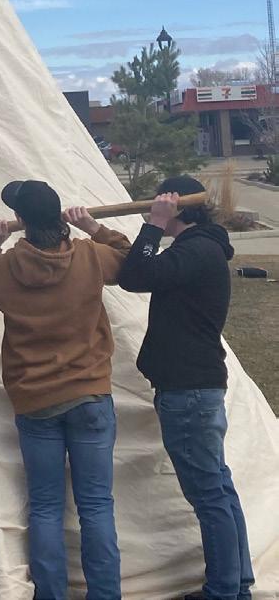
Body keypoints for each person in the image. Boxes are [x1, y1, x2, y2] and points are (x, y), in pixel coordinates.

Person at [0, 179, 131, 600]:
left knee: (45, 506)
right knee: (96, 505)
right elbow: (132, 261)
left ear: (19, 220)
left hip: (35, 399)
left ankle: (51, 594)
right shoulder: (90, 256)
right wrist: (94, 227)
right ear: (59, 216)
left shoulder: (2, 268)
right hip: (90, 393)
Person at [117, 176, 254, 600]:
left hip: (189, 390)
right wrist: (93, 228)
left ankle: (223, 591)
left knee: (209, 495)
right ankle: (236, 584)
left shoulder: (196, 250)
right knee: (218, 489)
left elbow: (135, 276)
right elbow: (139, 266)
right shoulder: (200, 248)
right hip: (196, 387)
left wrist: (154, 224)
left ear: (176, 207)